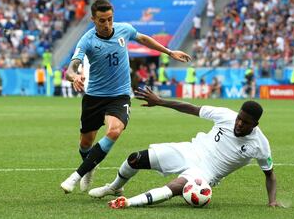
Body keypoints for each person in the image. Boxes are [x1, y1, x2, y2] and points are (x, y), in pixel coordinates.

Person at [60, 0, 191, 194]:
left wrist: (169, 51)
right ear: (93, 19)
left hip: (119, 96)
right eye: (102, 21)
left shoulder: (124, 29)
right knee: (85, 143)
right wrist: (74, 77)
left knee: (114, 131)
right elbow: (71, 67)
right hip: (94, 97)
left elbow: (143, 38)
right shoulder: (87, 40)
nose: (107, 25)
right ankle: (89, 167)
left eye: (110, 19)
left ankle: (76, 176)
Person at [88, 87, 282, 209]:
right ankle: (114, 187)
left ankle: (128, 203)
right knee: (134, 159)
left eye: (245, 122)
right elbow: (191, 108)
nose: (239, 123)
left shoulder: (260, 145)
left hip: (206, 173)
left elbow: (270, 175)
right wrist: (161, 102)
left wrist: (272, 201)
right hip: (190, 150)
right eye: (239, 118)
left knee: (174, 188)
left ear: (254, 125)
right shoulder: (225, 115)